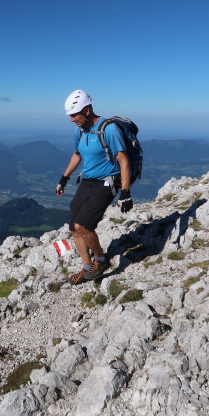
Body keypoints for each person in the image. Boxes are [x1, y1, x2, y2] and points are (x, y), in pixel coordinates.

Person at [56, 90, 133, 284]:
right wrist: (64, 179)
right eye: (70, 116)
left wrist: (125, 192)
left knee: (83, 225)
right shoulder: (80, 130)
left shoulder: (109, 130)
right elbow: (77, 155)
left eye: (74, 115)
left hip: (107, 181)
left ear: (87, 110)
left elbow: (123, 161)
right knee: (74, 226)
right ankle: (87, 267)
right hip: (88, 180)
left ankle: (101, 260)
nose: (72, 120)